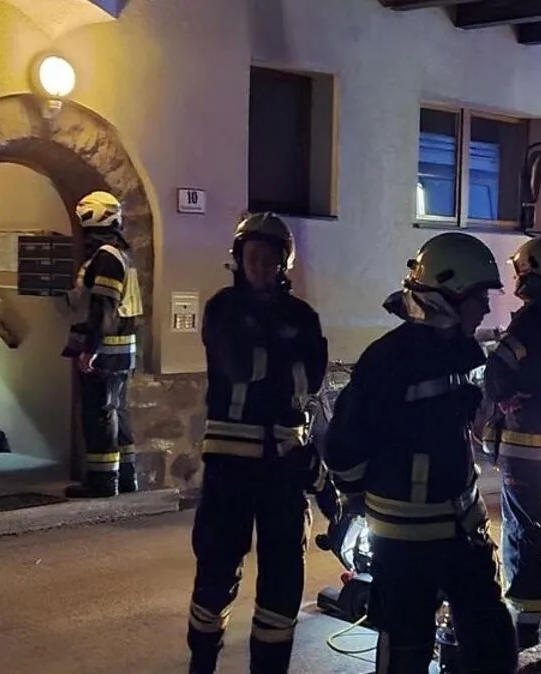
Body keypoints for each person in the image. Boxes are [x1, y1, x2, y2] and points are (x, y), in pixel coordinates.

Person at [324, 231, 518, 673]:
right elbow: (342, 445)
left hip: (460, 528)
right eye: (479, 297)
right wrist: (355, 499)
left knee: (490, 638)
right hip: (405, 540)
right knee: (407, 645)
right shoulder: (388, 359)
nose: (487, 308)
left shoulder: (466, 351)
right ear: (447, 296)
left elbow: (468, 415)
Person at [186, 213, 332, 674]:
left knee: (282, 585)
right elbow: (241, 365)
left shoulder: (302, 317)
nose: (260, 265)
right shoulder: (223, 308)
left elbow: (311, 379)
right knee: (215, 574)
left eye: (269, 258)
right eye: (253, 256)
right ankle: (202, 663)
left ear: (282, 262)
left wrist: (274, 356)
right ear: (238, 257)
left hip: (284, 470)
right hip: (231, 469)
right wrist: (279, 359)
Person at [478, 235, 541, 649]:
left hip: (524, 444)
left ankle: (521, 623)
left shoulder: (530, 321)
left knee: (523, 530)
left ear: (531, 273)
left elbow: (496, 371)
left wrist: (500, 400)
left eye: (521, 270)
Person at [61, 190, 143, 498]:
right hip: (123, 350)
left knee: (98, 414)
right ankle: (126, 476)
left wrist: (91, 348)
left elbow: (103, 306)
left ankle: (102, 481)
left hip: (105, 351)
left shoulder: (106, 257)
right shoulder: (123, 253)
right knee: (117, 412)